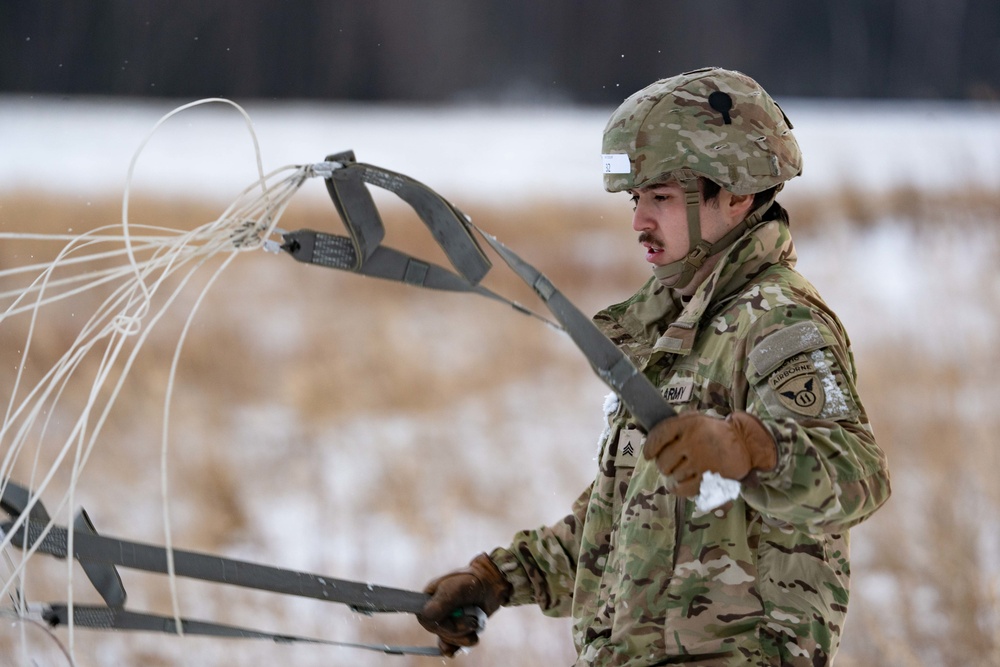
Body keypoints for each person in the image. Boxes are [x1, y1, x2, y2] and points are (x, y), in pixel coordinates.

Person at [418, 67, 891, 666]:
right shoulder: (675, 332)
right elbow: (625, 521)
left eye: (662, 198)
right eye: (636, 199)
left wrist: (749, 447)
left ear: (737, 192)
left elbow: (858, 474)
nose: (639, 221)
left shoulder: (778, 323)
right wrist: (498, 578)